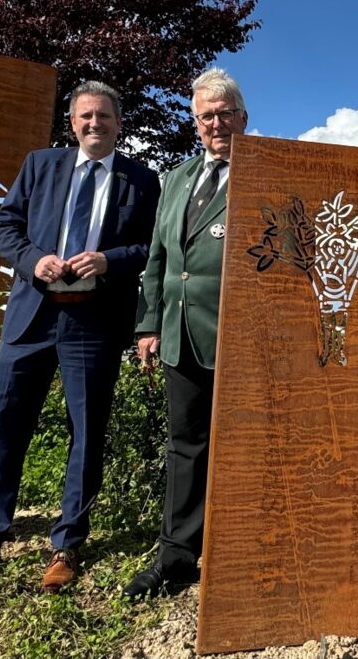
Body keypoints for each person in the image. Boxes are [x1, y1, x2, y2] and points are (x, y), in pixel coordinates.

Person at [0, 81, 159, 592]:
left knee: (86, 433)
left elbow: (151, 247)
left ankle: (66, 545)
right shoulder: (40, 165)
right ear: (72, 122)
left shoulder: (142, 180)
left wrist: (108, 260)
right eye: (85, 116)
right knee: (5, 426)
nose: (94, 124)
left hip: (94, 323)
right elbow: (3, 226)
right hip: (31, 318)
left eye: (103, 115)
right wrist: (35, 260)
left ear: (118, 123)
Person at [124, 67, 247, 599]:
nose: (216, 124)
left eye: (224, 114)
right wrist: (149, 322)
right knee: (186, 446)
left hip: (240, 337)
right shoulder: (175, 177)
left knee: (244, 445)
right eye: (206, 117)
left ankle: (242, 548)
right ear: (195, 123)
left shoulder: (266, 171)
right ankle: (177, 554)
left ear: (243, 117)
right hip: (179, 334)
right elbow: (157, 256)